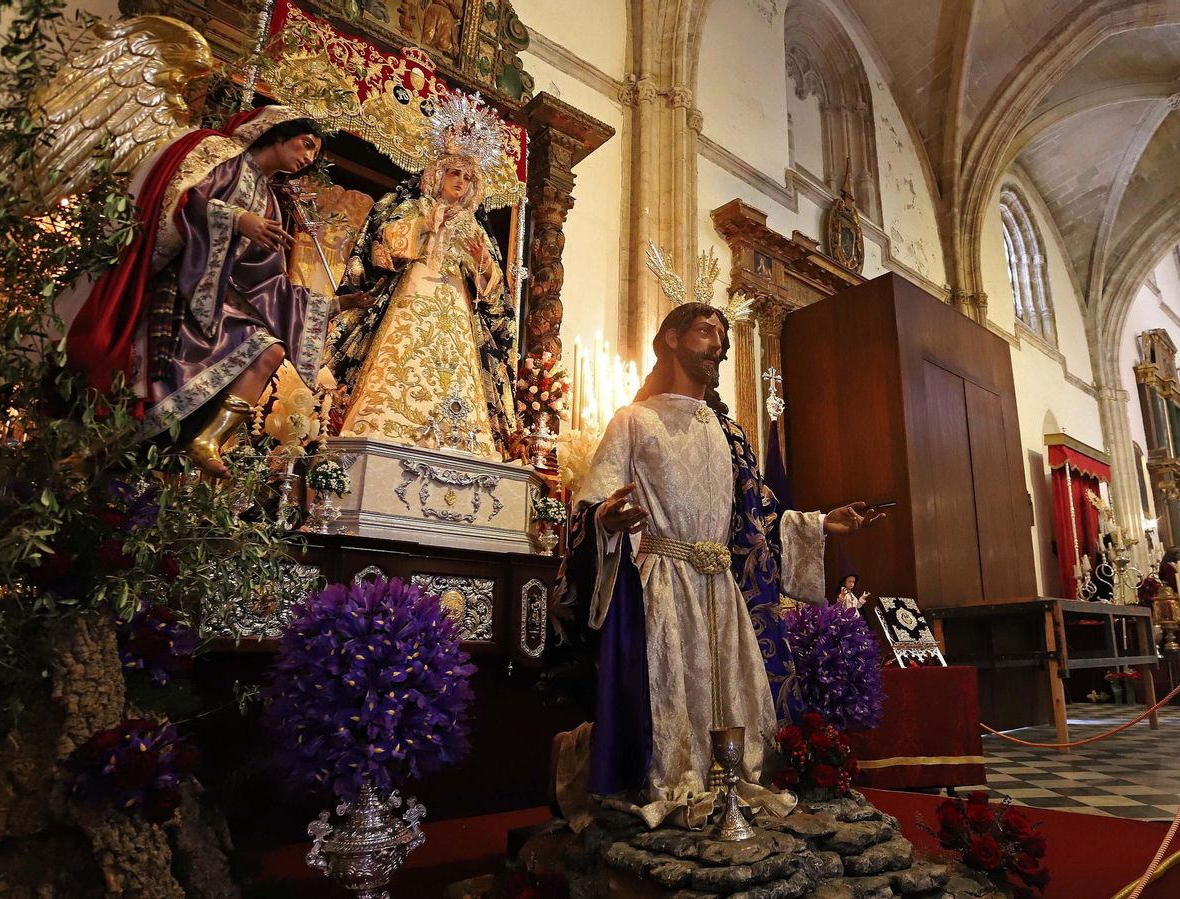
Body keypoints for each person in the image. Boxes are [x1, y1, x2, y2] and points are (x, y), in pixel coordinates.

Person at [549, 302, 883, 831]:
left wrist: (819, 524)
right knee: (668, 693)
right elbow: (593, 503)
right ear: (670, 341)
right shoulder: (634, 420)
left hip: (722, 588)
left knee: (734, 697)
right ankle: (665, 777)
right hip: (663, 581)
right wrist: (608, 519)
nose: (719, 344)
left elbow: (760, 518)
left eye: (724, 336)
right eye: (706, 332)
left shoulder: (732, 435)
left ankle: (731, 782)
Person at [63, 105, 369, 477]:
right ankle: (93, 453)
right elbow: (179, 200)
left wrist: (335, 303)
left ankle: (208, 439)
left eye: (314, 155)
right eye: (306, 145)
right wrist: (237, 218)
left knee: (268, 350)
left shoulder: (269, 201)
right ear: (278, 133)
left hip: (214, 309)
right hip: (178, 293)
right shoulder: (224, 159)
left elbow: (266, 281)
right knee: (150, 391)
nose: (307, 158)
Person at [324, 91, 519, 459]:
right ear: (438, 174)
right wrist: (425, 225)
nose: (459, 182)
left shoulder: (475, 226)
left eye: (466, 177)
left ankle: (460, 440)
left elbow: (495, 294)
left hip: (457, 308)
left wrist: (483, 264)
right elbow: (380, 246)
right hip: (412, 295)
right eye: (453, 173)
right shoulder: (415, 205)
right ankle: (384, 427)